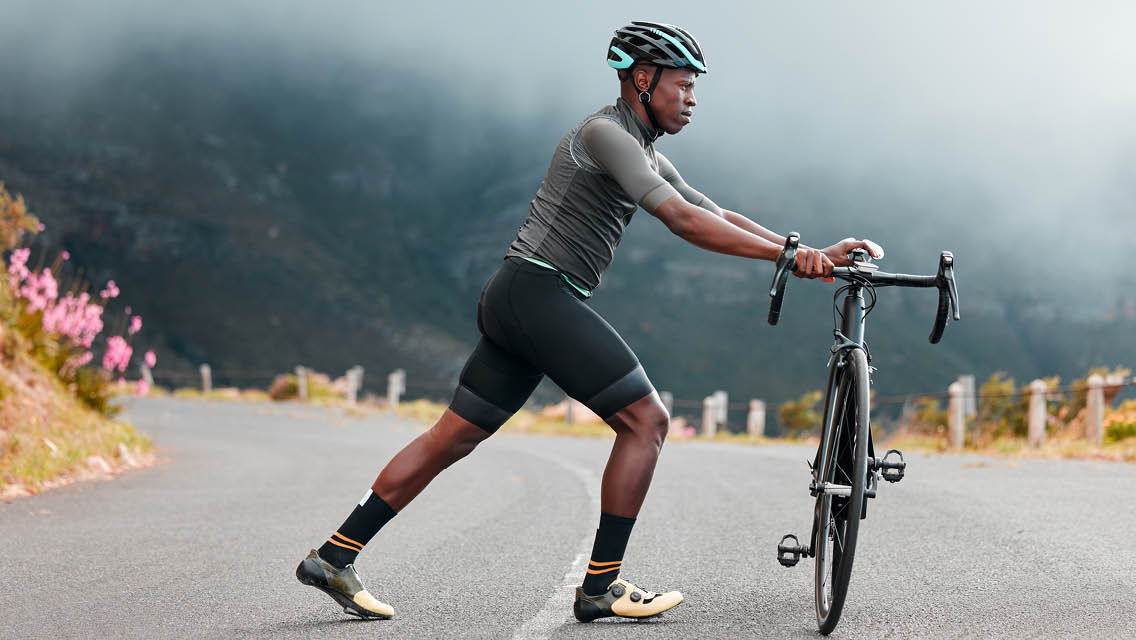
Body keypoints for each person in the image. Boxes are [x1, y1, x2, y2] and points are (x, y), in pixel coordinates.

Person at [296, 20, 884, 622]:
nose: (692, 98)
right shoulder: (606, 134)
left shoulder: (643, 147)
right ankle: (601, 587)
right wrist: (789, 257)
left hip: (522, 298)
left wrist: (811, 253)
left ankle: (334, 558)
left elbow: (713, 210)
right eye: (682, 85)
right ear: (642, 79)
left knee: (454, 437)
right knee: (646, 421)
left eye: (695, 88)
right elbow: (681, 220)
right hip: (536, 293)